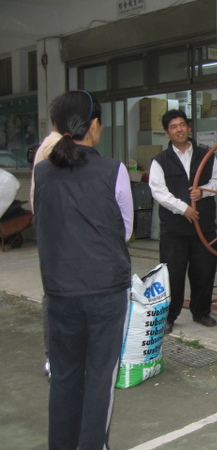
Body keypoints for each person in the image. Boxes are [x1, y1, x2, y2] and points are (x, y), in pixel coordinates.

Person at [33, 90, 134, 449]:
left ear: (59, 128)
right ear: (93, 125)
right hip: (105, 292)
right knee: (99, 380)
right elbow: (124, 229)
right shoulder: (113, 170)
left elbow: (44, 223)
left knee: (64, 377)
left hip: (59, 292)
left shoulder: (42, 172)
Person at [149, 109, 217, 334]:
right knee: (173, 273)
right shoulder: (159, 161)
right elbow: (158, 191)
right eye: (173, 127)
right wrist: (184, 209)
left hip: (204, 226)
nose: (179, 129)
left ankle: (201, 311)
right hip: (175, 230)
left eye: (182, 124)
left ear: (189, 128)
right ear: (166, 133)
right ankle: (169, 316)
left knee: (205, 270)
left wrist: (204, 192)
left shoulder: (207, 154)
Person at [30, 99, 62, 380]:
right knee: (55, 297)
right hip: (58, 234)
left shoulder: (52, 145)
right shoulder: (56, 147)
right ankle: (54, 358)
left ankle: (59, 357)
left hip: (54, 232)